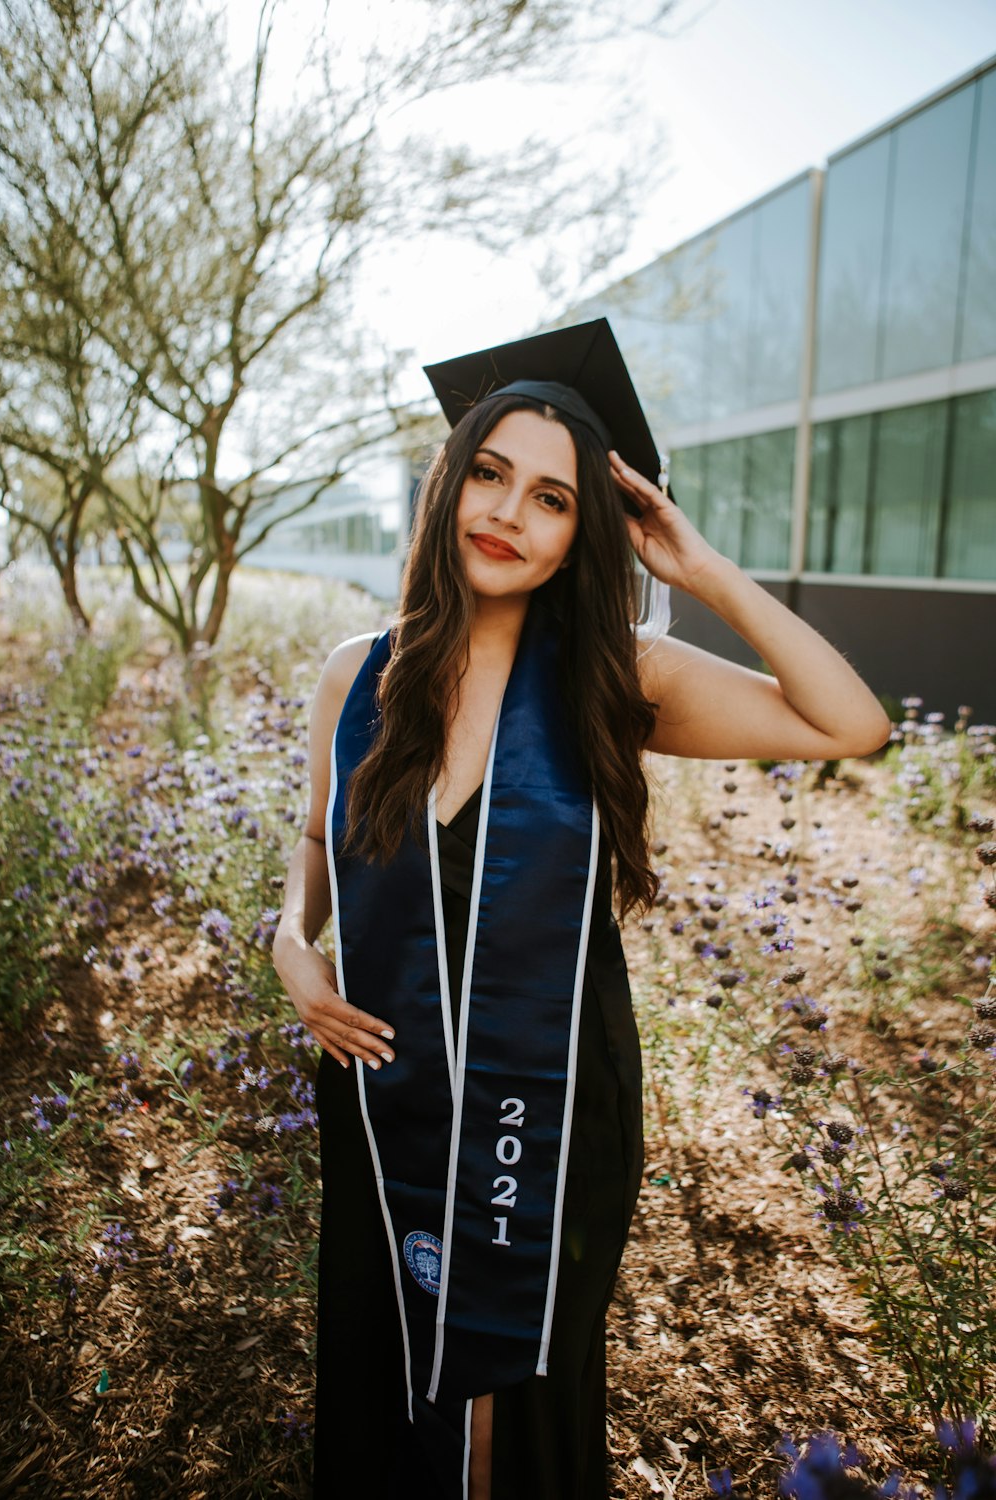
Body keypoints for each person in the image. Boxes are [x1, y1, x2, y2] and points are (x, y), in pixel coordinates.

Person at [271, 320, 891, 1500]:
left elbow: (847, 723)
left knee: (509, 1404)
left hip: (545, 1104)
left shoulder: (620, 679)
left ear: (582, 534)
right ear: (449, 485)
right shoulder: (360, 673)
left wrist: (698, 570)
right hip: (385, 1091)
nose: (509, 513)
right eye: (490, 475)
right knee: (392, 1369)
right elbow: (317, 840)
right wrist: (290, 943)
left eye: (552, 498)